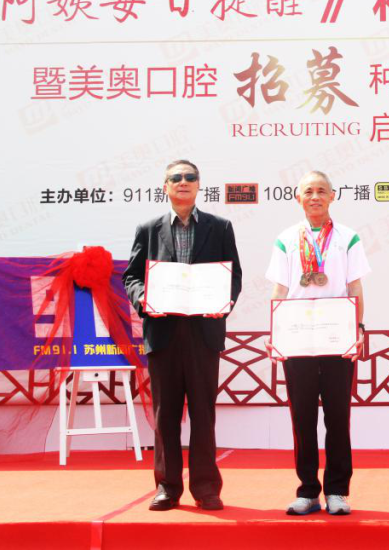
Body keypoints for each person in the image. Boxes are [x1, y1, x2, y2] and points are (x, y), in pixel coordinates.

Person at [123, 159, 242, 512]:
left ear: (199, 184)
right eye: (176, 178)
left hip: (204, 332)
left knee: (204, 414)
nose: (183, 182)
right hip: (163, 332)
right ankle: (167, 487)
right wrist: (144, 300)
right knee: (165, 415)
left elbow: (233, 275)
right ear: (166, 186)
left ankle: (206, 488)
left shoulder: (220, 227)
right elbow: (132, 276)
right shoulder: (148, 229)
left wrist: (224, 303)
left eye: (190, 177)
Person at [265, 170, 369, 516]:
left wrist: (358, 328)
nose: (315, 197)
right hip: (297, 340)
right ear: (298, 198)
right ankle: (307, 490)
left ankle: (337, 490)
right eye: (308, 191)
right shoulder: (286, 239)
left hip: (337, 337)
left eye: (321, 191)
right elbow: (280, 289)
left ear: (332, 196)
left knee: (338, 416)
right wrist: (276, 333)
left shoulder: (348, 237)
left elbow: (355, 287)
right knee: (303, 417)